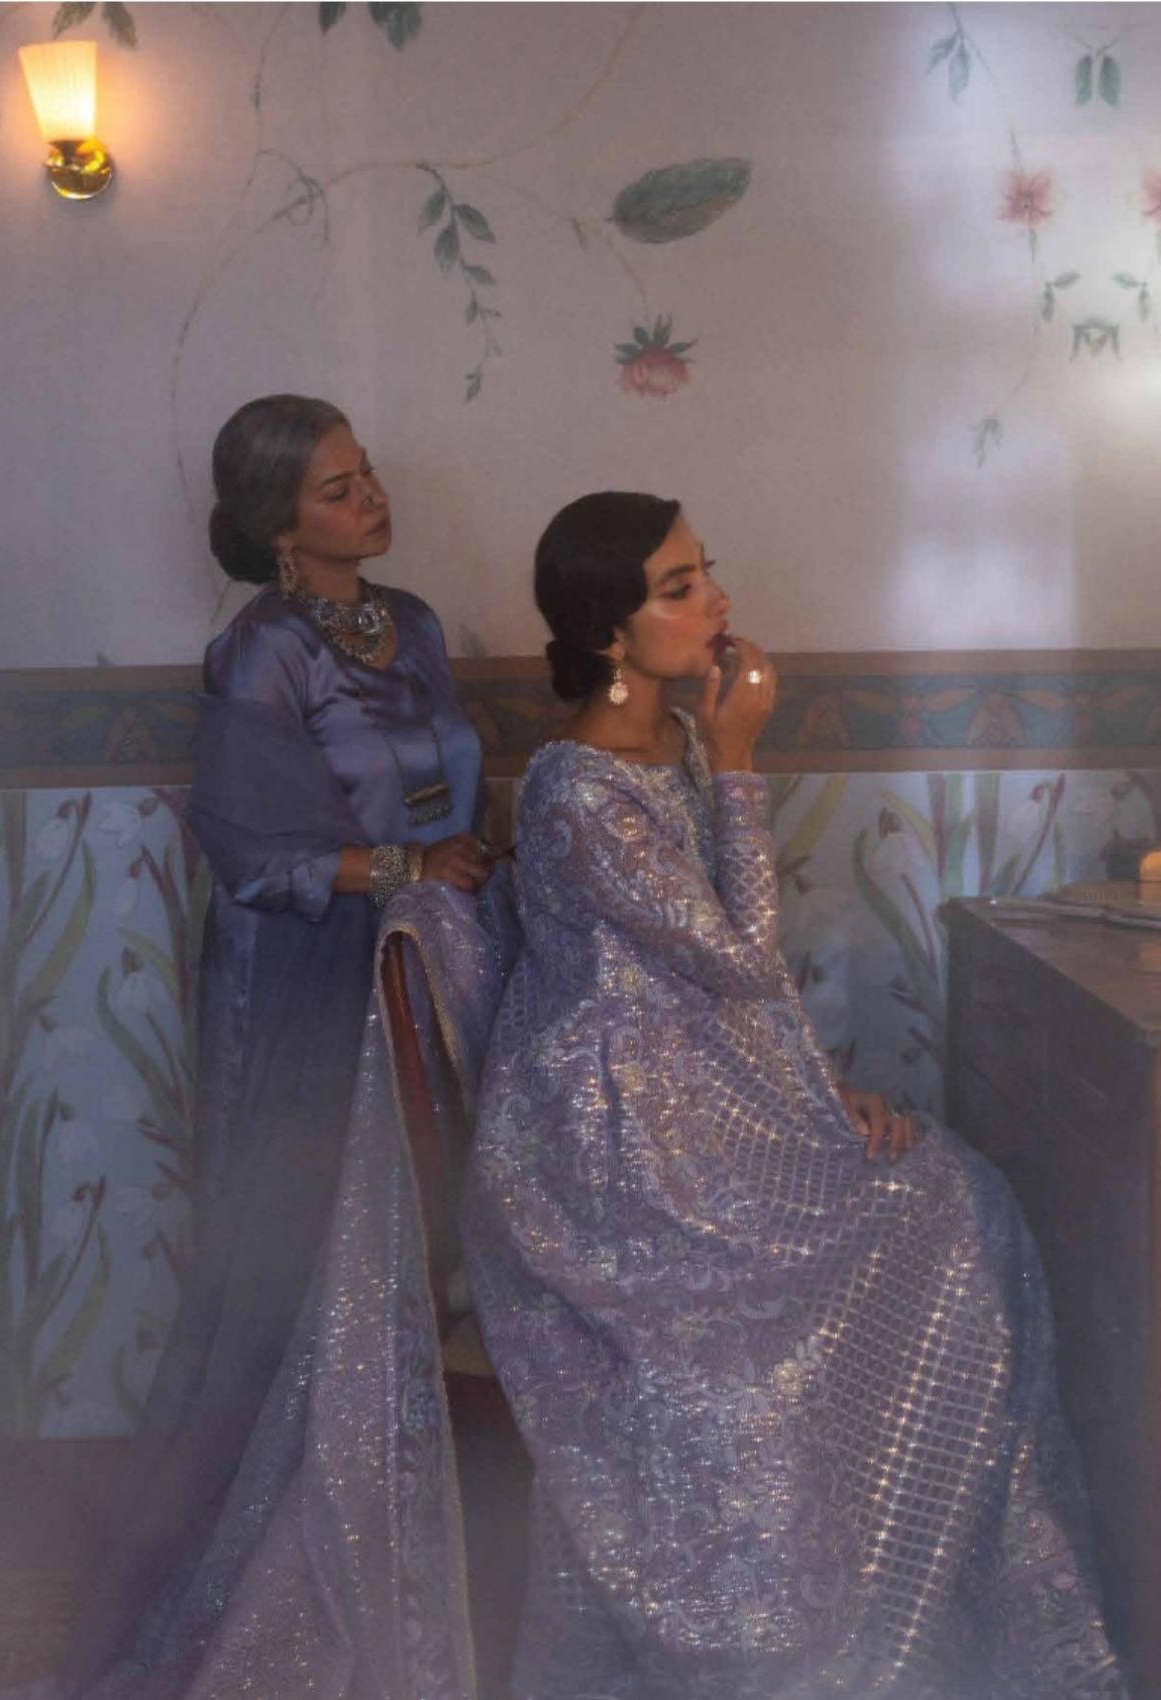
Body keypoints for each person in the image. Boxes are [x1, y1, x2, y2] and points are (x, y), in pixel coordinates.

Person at [462, 492, 1126, 1700]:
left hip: (703, 1094)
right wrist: (745, 758)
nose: (717, 601)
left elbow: (730, 999)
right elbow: (739, 959)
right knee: (929, 1215)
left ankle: (912, 1584)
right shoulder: (576, 790)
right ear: (610, 634)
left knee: (955, 1193)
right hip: (608, 1145)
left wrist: (823, 1093)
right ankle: (803, 1615)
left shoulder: (669, 739)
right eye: (678, 588)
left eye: (705, 571)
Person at [55, 395, 494, 1699]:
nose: (371, 499)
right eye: (337, 489)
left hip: (411, 955)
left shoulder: (413, 623)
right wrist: (408, 866)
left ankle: (386, 1536)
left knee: (411, 1247)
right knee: (288, 1258)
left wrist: (446, 880)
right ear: (276, 524)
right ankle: (241, 1571)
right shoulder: (259, 651)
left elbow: (446, 789)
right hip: (298, 975)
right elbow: (252, 853)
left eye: (368, 474)